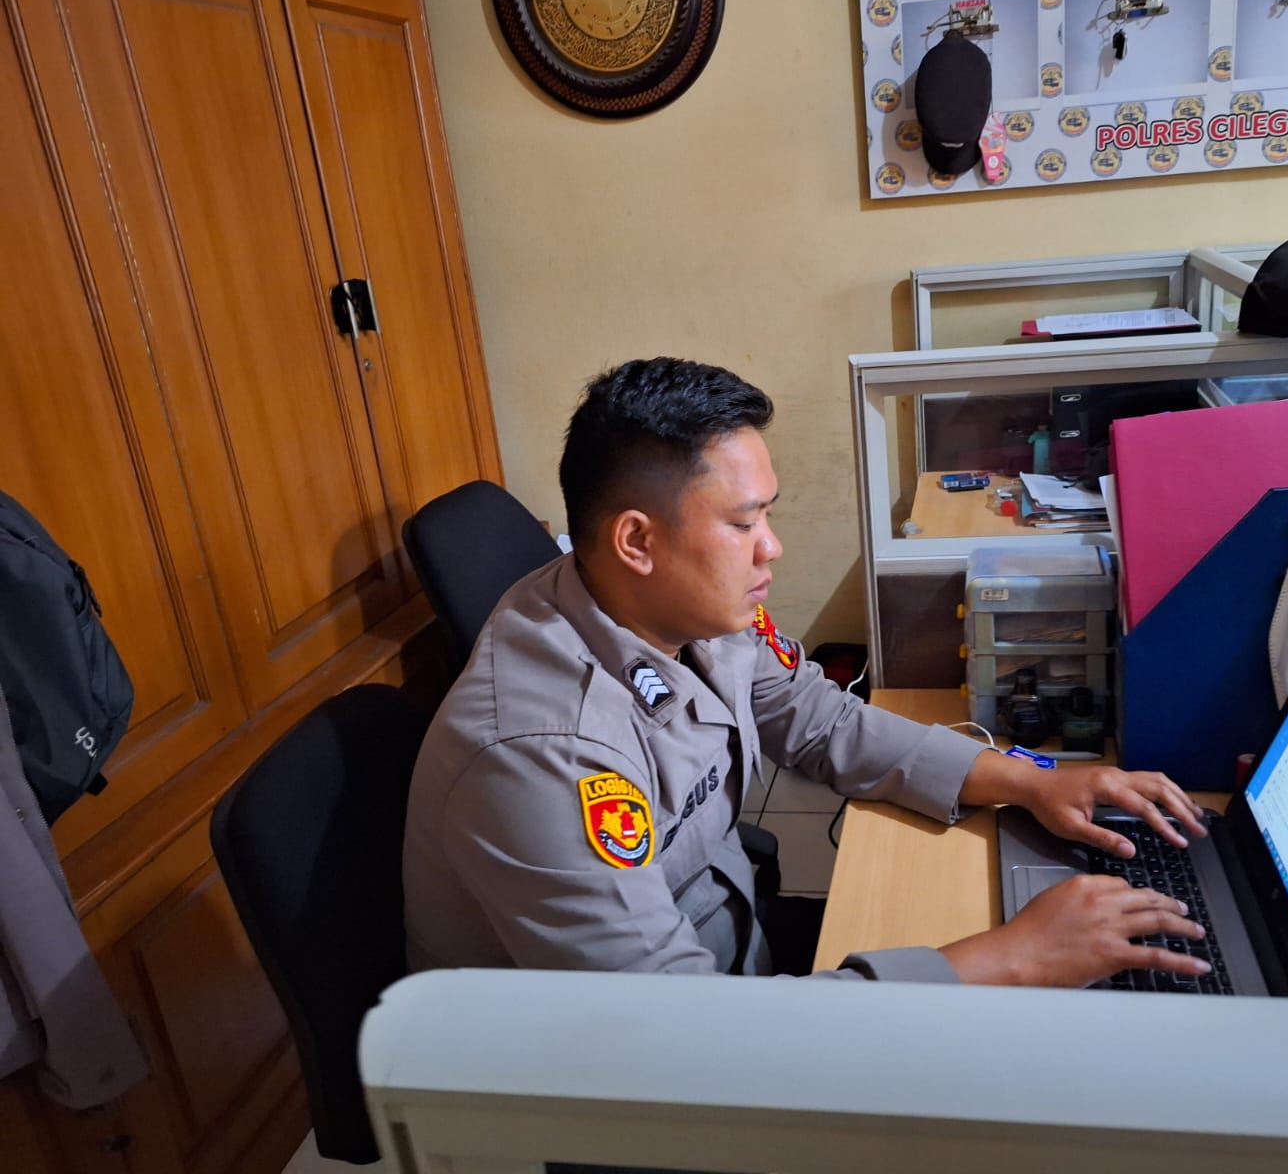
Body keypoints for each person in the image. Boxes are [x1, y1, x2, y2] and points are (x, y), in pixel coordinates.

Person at [403, 357, 1212, 986]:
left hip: (730, 945)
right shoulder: (546, 754)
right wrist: (1009, 959)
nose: (773, 548)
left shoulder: (671, 610)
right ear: (637, 542)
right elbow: (677, 1038)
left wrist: (1028, 780)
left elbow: (817, 717)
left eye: (769, 513)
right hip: (615, 1077)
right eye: (743, 523)